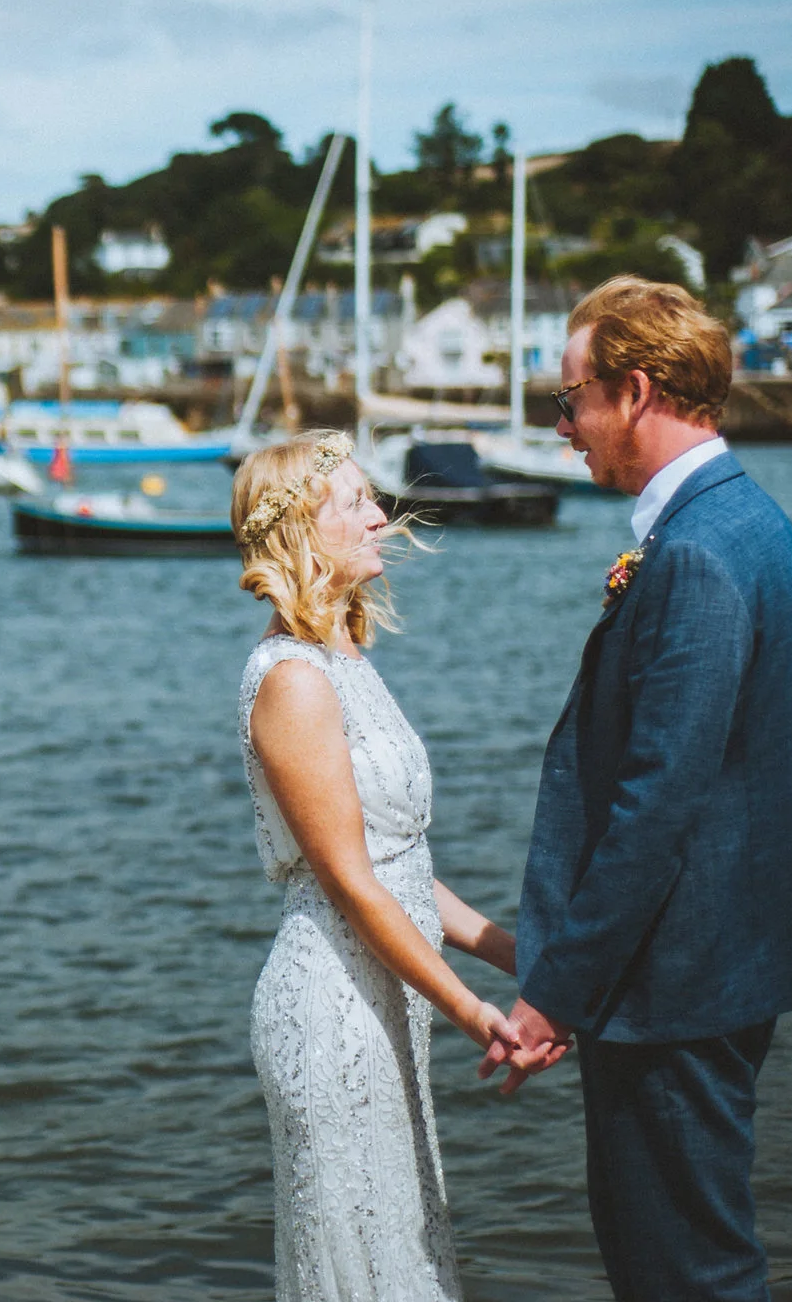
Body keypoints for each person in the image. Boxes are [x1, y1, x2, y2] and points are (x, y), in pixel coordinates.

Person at [497, 276, 792, 1301]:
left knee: (682, 1271)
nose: (562, 429)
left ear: (634, 390)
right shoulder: (745, 520)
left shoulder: (694, 552)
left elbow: (659, 799)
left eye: (569, 402)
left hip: (677, 982)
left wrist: (555, 991)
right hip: (720, 958)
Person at [232, 430, 556, 1301]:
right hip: (334, 1008)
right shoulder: (294, 681)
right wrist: (472, 1011)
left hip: (386, 1002)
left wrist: (524, 954)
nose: (382, 518)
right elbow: (348, 879)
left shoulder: (347, 662)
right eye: (357, 504)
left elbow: (401, 866)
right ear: (303, 533)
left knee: (407, 1256)